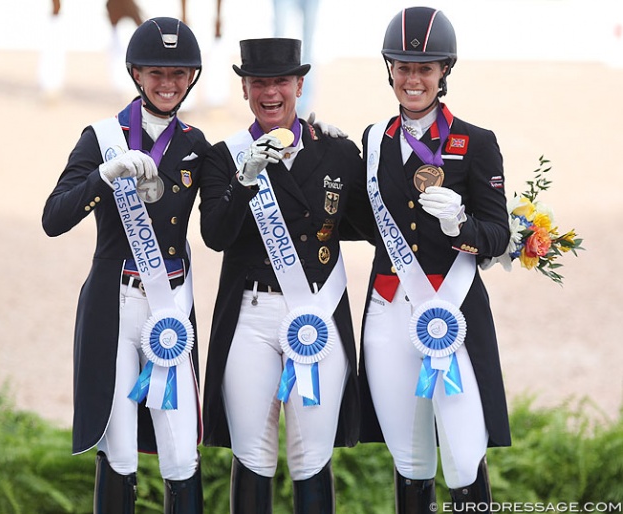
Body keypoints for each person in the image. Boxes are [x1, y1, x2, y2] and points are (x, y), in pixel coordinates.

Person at [42, 17, 209, 514]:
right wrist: (102, 176)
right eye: (157, 72)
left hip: (170, 311)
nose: (167, 83)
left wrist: (311, 139)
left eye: (179, 74)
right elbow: (54, 217)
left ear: (192, 78)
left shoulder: (197, 144)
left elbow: (230, 217)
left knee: (181, 454)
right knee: (118, 451)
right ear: (137, 73)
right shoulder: (101, 137)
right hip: (115, 305)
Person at [199, 38, 371, 513]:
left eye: (281, 82)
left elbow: (370, 226)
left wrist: (360, 155)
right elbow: (215, 234)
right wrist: (245, 179)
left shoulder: (335, 152)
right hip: (251, 316)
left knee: (310, 456)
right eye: (259, 83)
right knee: (252, 454)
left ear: (300, 84)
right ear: (245, 89)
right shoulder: (224, 156)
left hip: (315, 312)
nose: (270, 93)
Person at [357, 7, 511, 512]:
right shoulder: (373, 139)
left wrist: (459, 227)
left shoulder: (476, 142)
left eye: (424, 68)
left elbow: (496, 234)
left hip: (452, 312)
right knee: (411, 458)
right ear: (390, 70)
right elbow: (362, 219)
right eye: (403, 67)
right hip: (388, 309)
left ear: (444, 70)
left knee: (465, 457)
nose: (413, 78)